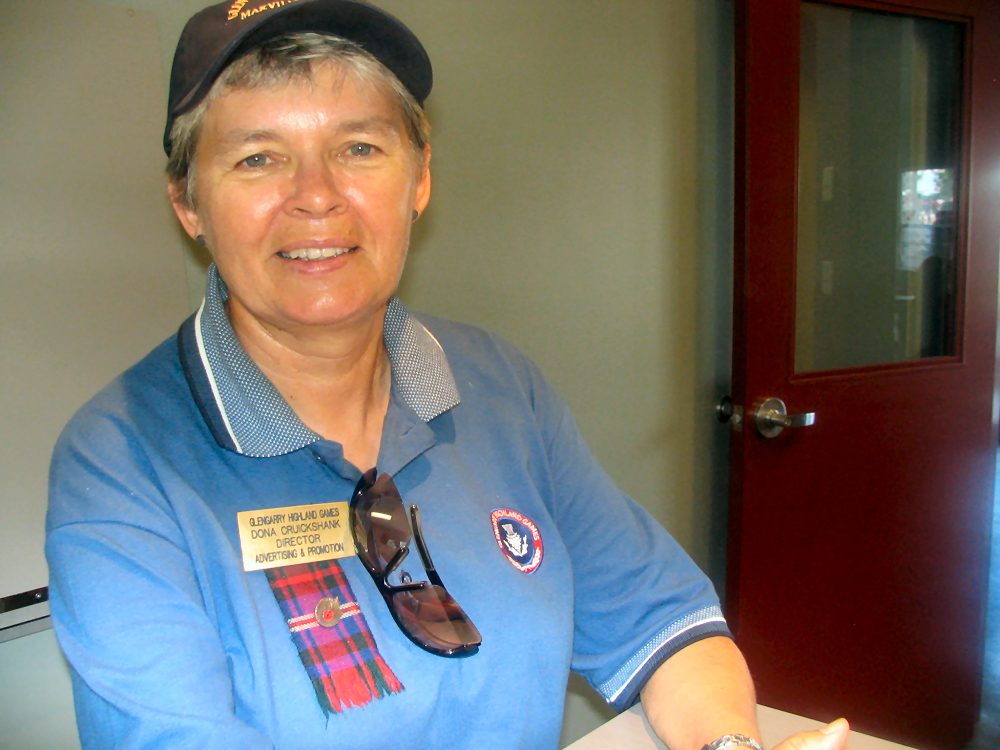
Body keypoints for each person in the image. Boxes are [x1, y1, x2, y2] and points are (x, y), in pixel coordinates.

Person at [46, 2, 851, 749]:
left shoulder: (498, 385)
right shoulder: (121, 463)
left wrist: (729, 744)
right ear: (188, 202)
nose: (316, 197)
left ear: (421, 177)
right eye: (258, 158)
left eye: (359, 148)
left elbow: (662, 622)